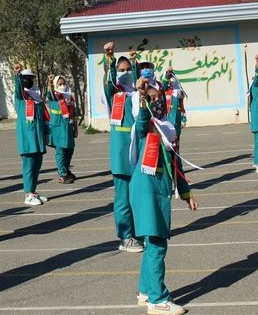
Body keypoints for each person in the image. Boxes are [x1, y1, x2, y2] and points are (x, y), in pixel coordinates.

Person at [130, 76, 198, 315]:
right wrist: (142, 97)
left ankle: (145, 291)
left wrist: (186, 193)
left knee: (152, 245)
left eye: (159, 98)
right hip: (146, 190)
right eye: (152, 99)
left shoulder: (168, 128)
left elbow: (176, 164)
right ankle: (158, 300)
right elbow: (142, 122)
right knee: (157, 246)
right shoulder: (145, 126)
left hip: (159, 191)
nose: (156, 102)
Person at [101, 42, 144, 253]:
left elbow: (139, 82)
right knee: (123, 197)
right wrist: (110, 58)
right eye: (121, 70)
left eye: (128, 70)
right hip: (121, 152)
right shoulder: (113, 94)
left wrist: (135, 64)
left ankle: (137, 232)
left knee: (136, 195)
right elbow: (108, 80)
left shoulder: (136, 94)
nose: (125, 74)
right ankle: (125, 236)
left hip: (138, 149)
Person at [12, 63, 49, 206]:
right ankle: (27, 194)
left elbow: (44, 118)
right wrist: (17, 75)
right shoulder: (21, 98)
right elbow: (18, 89)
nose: (28, 80)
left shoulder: (38, 99)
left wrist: (46, 134)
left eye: (30, 78)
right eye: (25, 78)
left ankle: (33, 191)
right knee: (28, 166)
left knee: (37, 165)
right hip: (27, 138)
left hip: (38, 138)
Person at [46, 74, 78, 184]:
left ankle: (66, 169)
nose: (63, 86)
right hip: (58, 127)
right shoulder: (55, 96)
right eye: (60, 84)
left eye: (64, 83)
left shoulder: (69, 97)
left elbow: (73, 114)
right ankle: (62, 174)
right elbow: (49, 93)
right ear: (56, 85)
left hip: (68, 127)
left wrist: (75, 127)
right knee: (61, 151)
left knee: (70, 149)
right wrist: (50, 83)